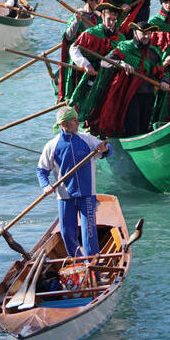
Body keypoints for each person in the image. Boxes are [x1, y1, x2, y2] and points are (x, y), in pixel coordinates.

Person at [36, 108, 112, 258]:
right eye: (74, 120)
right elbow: (41, 170)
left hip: (87, 195)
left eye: (77, 119)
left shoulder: (87, 139)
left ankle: (92, 265)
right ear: (63, 124)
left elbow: (108, 151)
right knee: (67, 233)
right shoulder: (52, 146)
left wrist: (105, 148)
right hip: (65, 196)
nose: (78, 122)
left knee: (89, 232)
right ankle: (77, 261)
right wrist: (45, 186)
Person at [89, 22, 167, 137]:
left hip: (148, 95)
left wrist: (165, 81)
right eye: (144, 33)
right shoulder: (125, 47)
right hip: (129, 95)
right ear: (135, 33)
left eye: (149, 33)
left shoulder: (153, 52)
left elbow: (161, 72)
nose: (147, 36)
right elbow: (105, 62)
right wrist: (121, 63)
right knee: (133, 128)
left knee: (144, 128)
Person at [59, 0, 104, 101]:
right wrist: (76, 21)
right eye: (96, 1)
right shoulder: (77, 15)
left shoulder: (98, 17)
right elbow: (69, 37)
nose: (99, 4)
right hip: (78, 54)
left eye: (100, 1)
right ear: (89, 1)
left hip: (93, 55)